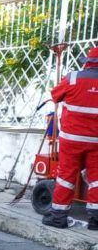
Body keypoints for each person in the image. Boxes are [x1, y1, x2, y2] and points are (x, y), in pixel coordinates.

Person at [43, 46, 98, 231]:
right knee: (96, 178)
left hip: (72, 139)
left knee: (66, 176)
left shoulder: (73, 78)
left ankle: (58, 217)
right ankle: (96, 220)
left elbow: (55, 95)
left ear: (87, 62)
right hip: (96, 141)